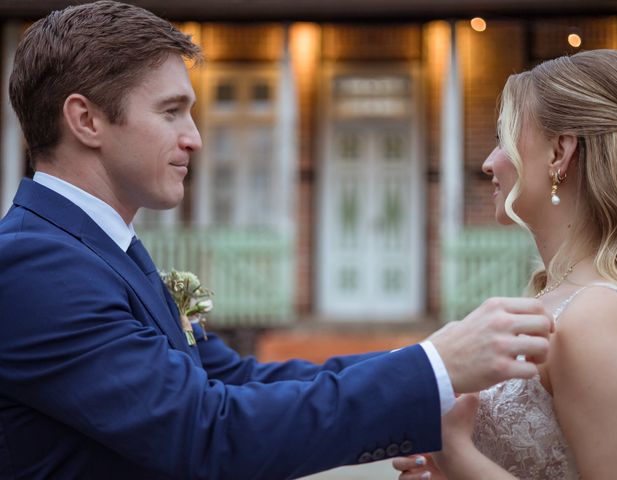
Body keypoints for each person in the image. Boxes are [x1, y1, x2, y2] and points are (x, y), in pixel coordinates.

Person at [0, 2, 554, 479]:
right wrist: (433, 366)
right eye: (171, 112)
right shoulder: (36, 264)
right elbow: (208, 435)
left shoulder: (94, 249)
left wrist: (431, 368)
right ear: (86, 120)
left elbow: (241, 380)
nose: (193, 138)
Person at [393, 48, 617, 480]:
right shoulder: (559, 298)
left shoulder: (597, 316)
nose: (489, 162)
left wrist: (453, 450)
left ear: (558, 153)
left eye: (505, 138)